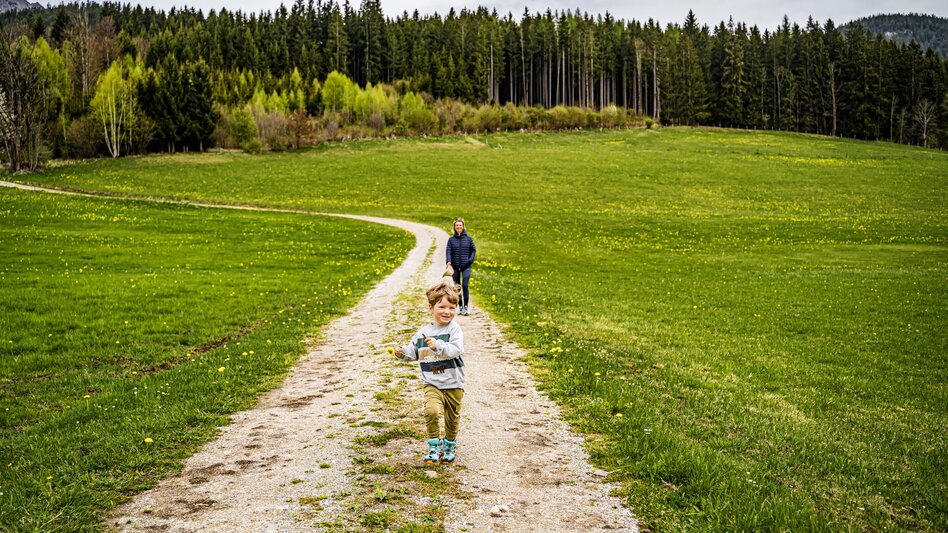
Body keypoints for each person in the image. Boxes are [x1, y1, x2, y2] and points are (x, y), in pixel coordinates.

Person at [394, 281, 465, 465]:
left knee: (452, 417)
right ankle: (434, 445)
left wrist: (439, 345)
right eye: (442, 307)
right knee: (431, 411)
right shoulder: (422, 333)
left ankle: (449, 444)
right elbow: (413, 352)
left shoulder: (454, 329)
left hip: (454, 382)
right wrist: (403, 353)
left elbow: (456, 349)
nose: (447, 312)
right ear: (431, 308)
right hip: (432, 382)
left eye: (452, 307)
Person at [446, 218, 476, 316]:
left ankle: (466, 307)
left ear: (463, 227)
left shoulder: (469, 239)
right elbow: (448, 251)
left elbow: (473, 250)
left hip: (466, 266)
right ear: (454, 227)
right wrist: (448, 261)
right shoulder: (451, 240)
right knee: (457, 288)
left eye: (460, 225)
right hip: (455, 267)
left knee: (465, 285)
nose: (459, 227)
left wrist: (470, 260)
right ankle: (460, 307)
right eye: (457, 225)